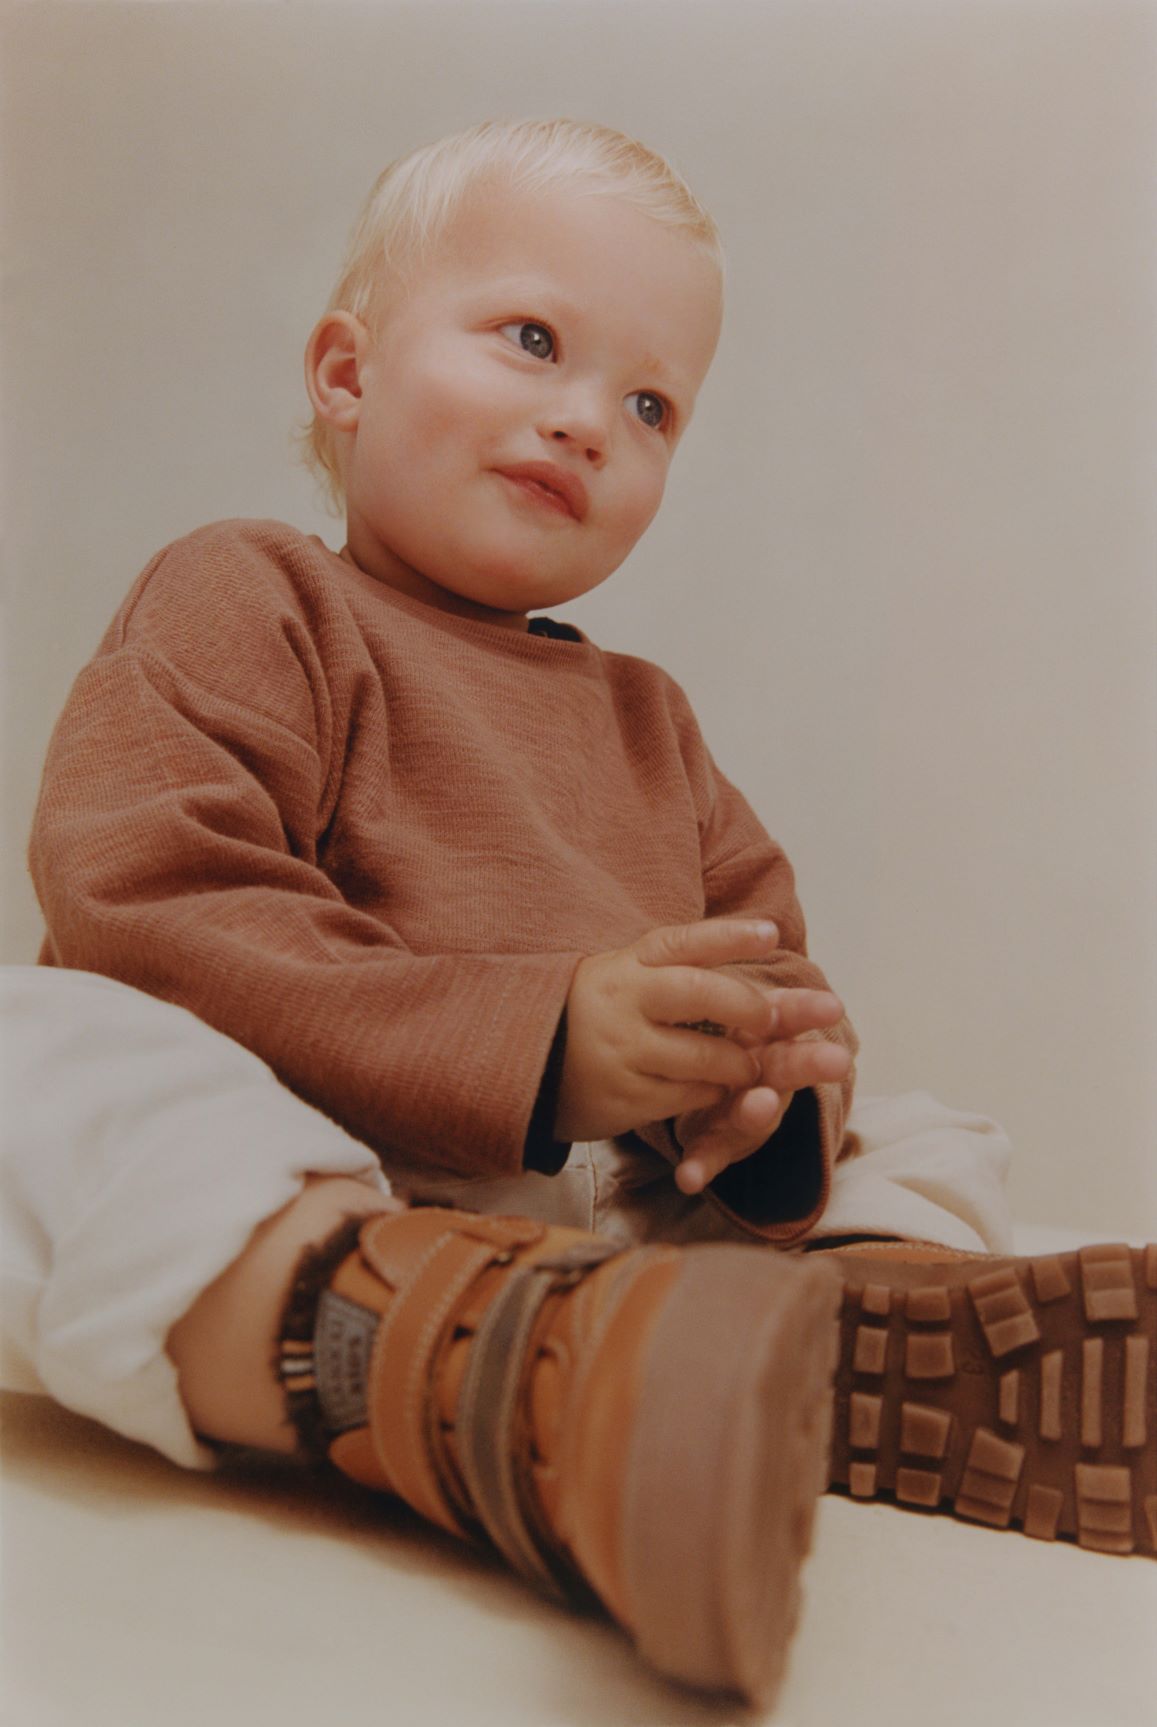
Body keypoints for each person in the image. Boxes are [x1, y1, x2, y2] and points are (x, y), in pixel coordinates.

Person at [8, 120, 1153, 1707]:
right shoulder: (253, 594)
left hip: (609, 1218)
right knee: (34, 1059)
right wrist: (539, 1041)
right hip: (322, 1187)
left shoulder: (646, 722)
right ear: (346, 373)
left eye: (648, 405)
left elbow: (768, 964)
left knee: (917, 1128)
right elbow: (144, 902)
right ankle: (451, 1357)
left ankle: (846, 1328)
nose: (584, 422)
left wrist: (758, 1094)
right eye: (533, 341)